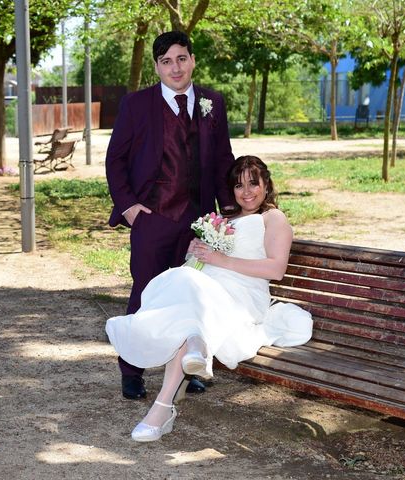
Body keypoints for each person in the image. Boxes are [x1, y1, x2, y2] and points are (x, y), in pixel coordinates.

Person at [105, 156, 313, 442]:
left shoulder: (273, 218)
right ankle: (187, 362)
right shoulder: (224, 220)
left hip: (243, 297)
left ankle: (163, 406)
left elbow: (276, 269)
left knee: (191, 306)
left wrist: (220, 259)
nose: (247, 191)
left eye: (254, 183)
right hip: (211, 290)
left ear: (267, 185)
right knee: (189, 296)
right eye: (239, 185)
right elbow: (208, 261)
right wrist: (197, 252)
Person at [105, 30, 236, 400]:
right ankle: (131, 370)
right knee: (144, 295)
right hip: (153, 217)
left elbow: (223, 158)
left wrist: (228, 213)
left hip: (197, 222)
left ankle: (185, 368)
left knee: (191, 296)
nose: (175, 67)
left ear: (192, 60)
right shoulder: (136, 104)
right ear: (157, 67)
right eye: (166, 61)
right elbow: (115, 160)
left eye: (181, 58)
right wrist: (130, 208)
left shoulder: (213, 102)